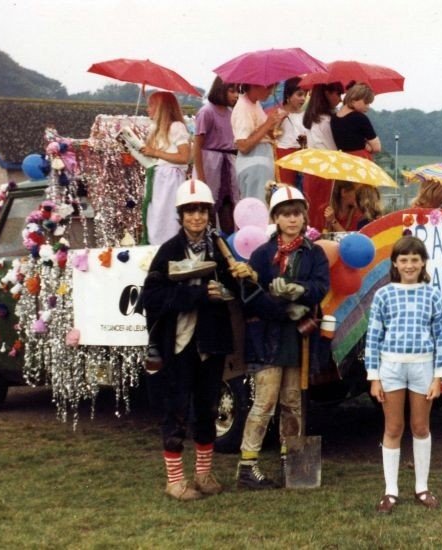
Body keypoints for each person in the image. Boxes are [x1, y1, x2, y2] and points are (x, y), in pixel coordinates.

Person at [141, 179, 256, 501]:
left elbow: (237, 292)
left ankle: (203, 475)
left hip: (211, 342)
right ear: (181, 215)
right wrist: (195, 295)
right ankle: (175, 481)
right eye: (190, 211)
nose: (196, 217)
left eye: (202, 211)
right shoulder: (168, 251)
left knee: (207, 408)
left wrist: (239, 281)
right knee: (175, 409)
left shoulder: (219, 248)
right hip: (177, 343)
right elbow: (151, 297)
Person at [236, 186, 330, 489]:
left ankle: (292, 462)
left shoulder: (314, 253)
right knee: (264, 402)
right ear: (275, 217)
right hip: (267, 338)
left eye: (297, 214)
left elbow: (321, 286)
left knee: (293, 401)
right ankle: (247, 466)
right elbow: (249, 295)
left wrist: (300, 291)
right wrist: (279, 307)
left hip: (299, 338)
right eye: (286, 214)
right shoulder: (262, 255)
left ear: (304, 217)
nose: (293, 220)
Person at [367, 236, 442, 513]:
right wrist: (374, 376)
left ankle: (422, 487)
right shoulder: (383, 295)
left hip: (422, 367)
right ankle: (390, 491)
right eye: (404, 260)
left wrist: (439, 376)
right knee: (393, 428)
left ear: (423, 262)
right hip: (391, 367)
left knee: (420, 426)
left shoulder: (433, 294)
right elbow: (374, 338)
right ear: (395, 263)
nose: (409, 265)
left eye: (415, 259)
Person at [140, 91, 190, 245]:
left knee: (168, 217)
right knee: (156, 217)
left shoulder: (177, 127)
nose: (148, 109)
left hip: (171, 180)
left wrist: (155, 152)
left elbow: (184, 157)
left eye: (151, 106)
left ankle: (170, 246)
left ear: (161, 108)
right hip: (159, 178)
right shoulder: (156, 130)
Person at [192, 77, 239, 234]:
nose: (236, 95)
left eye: (237, 91)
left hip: (228, 164)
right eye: (232, 91)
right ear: (221, 90)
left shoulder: (231, 113)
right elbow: (197, 145)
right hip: (210, 163)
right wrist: (200, 176)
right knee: (207, 205)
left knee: (229, 206)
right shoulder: (206, 112)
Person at [231, 82, 287, 202]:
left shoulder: (255, 104)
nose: (271, 92)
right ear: (254, 85)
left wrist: (272, 125)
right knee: (257, 207)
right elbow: (243, 145)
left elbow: (259, 132)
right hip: (255, 166)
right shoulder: (243, 107)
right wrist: (268, 124)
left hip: (261, 163)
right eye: (269, 87)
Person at [302, 82, 344, 230]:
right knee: (323, 208)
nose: (340, 98)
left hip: (311, 167)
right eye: (338, 94)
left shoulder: (312, 117)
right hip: (326, 167)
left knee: (312, 208)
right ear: (327, 93)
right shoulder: (328, 120)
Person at [330, 83, 381, 160]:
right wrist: (369, 147)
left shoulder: (334, 118)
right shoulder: (360, 118)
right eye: (366, 103)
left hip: (344, 160)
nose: (368, 107)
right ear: (354, 100)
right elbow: (377, 148)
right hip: (360, 160)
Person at [274, 78, 309, 186]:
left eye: (305, 95)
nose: (303, 99)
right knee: (286, 190)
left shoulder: (305, 115)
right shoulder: (278, 113)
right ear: (288, 96)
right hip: (283, 155)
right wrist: (279, 121)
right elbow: (272, 135)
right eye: (299, 95)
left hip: (301, 156)